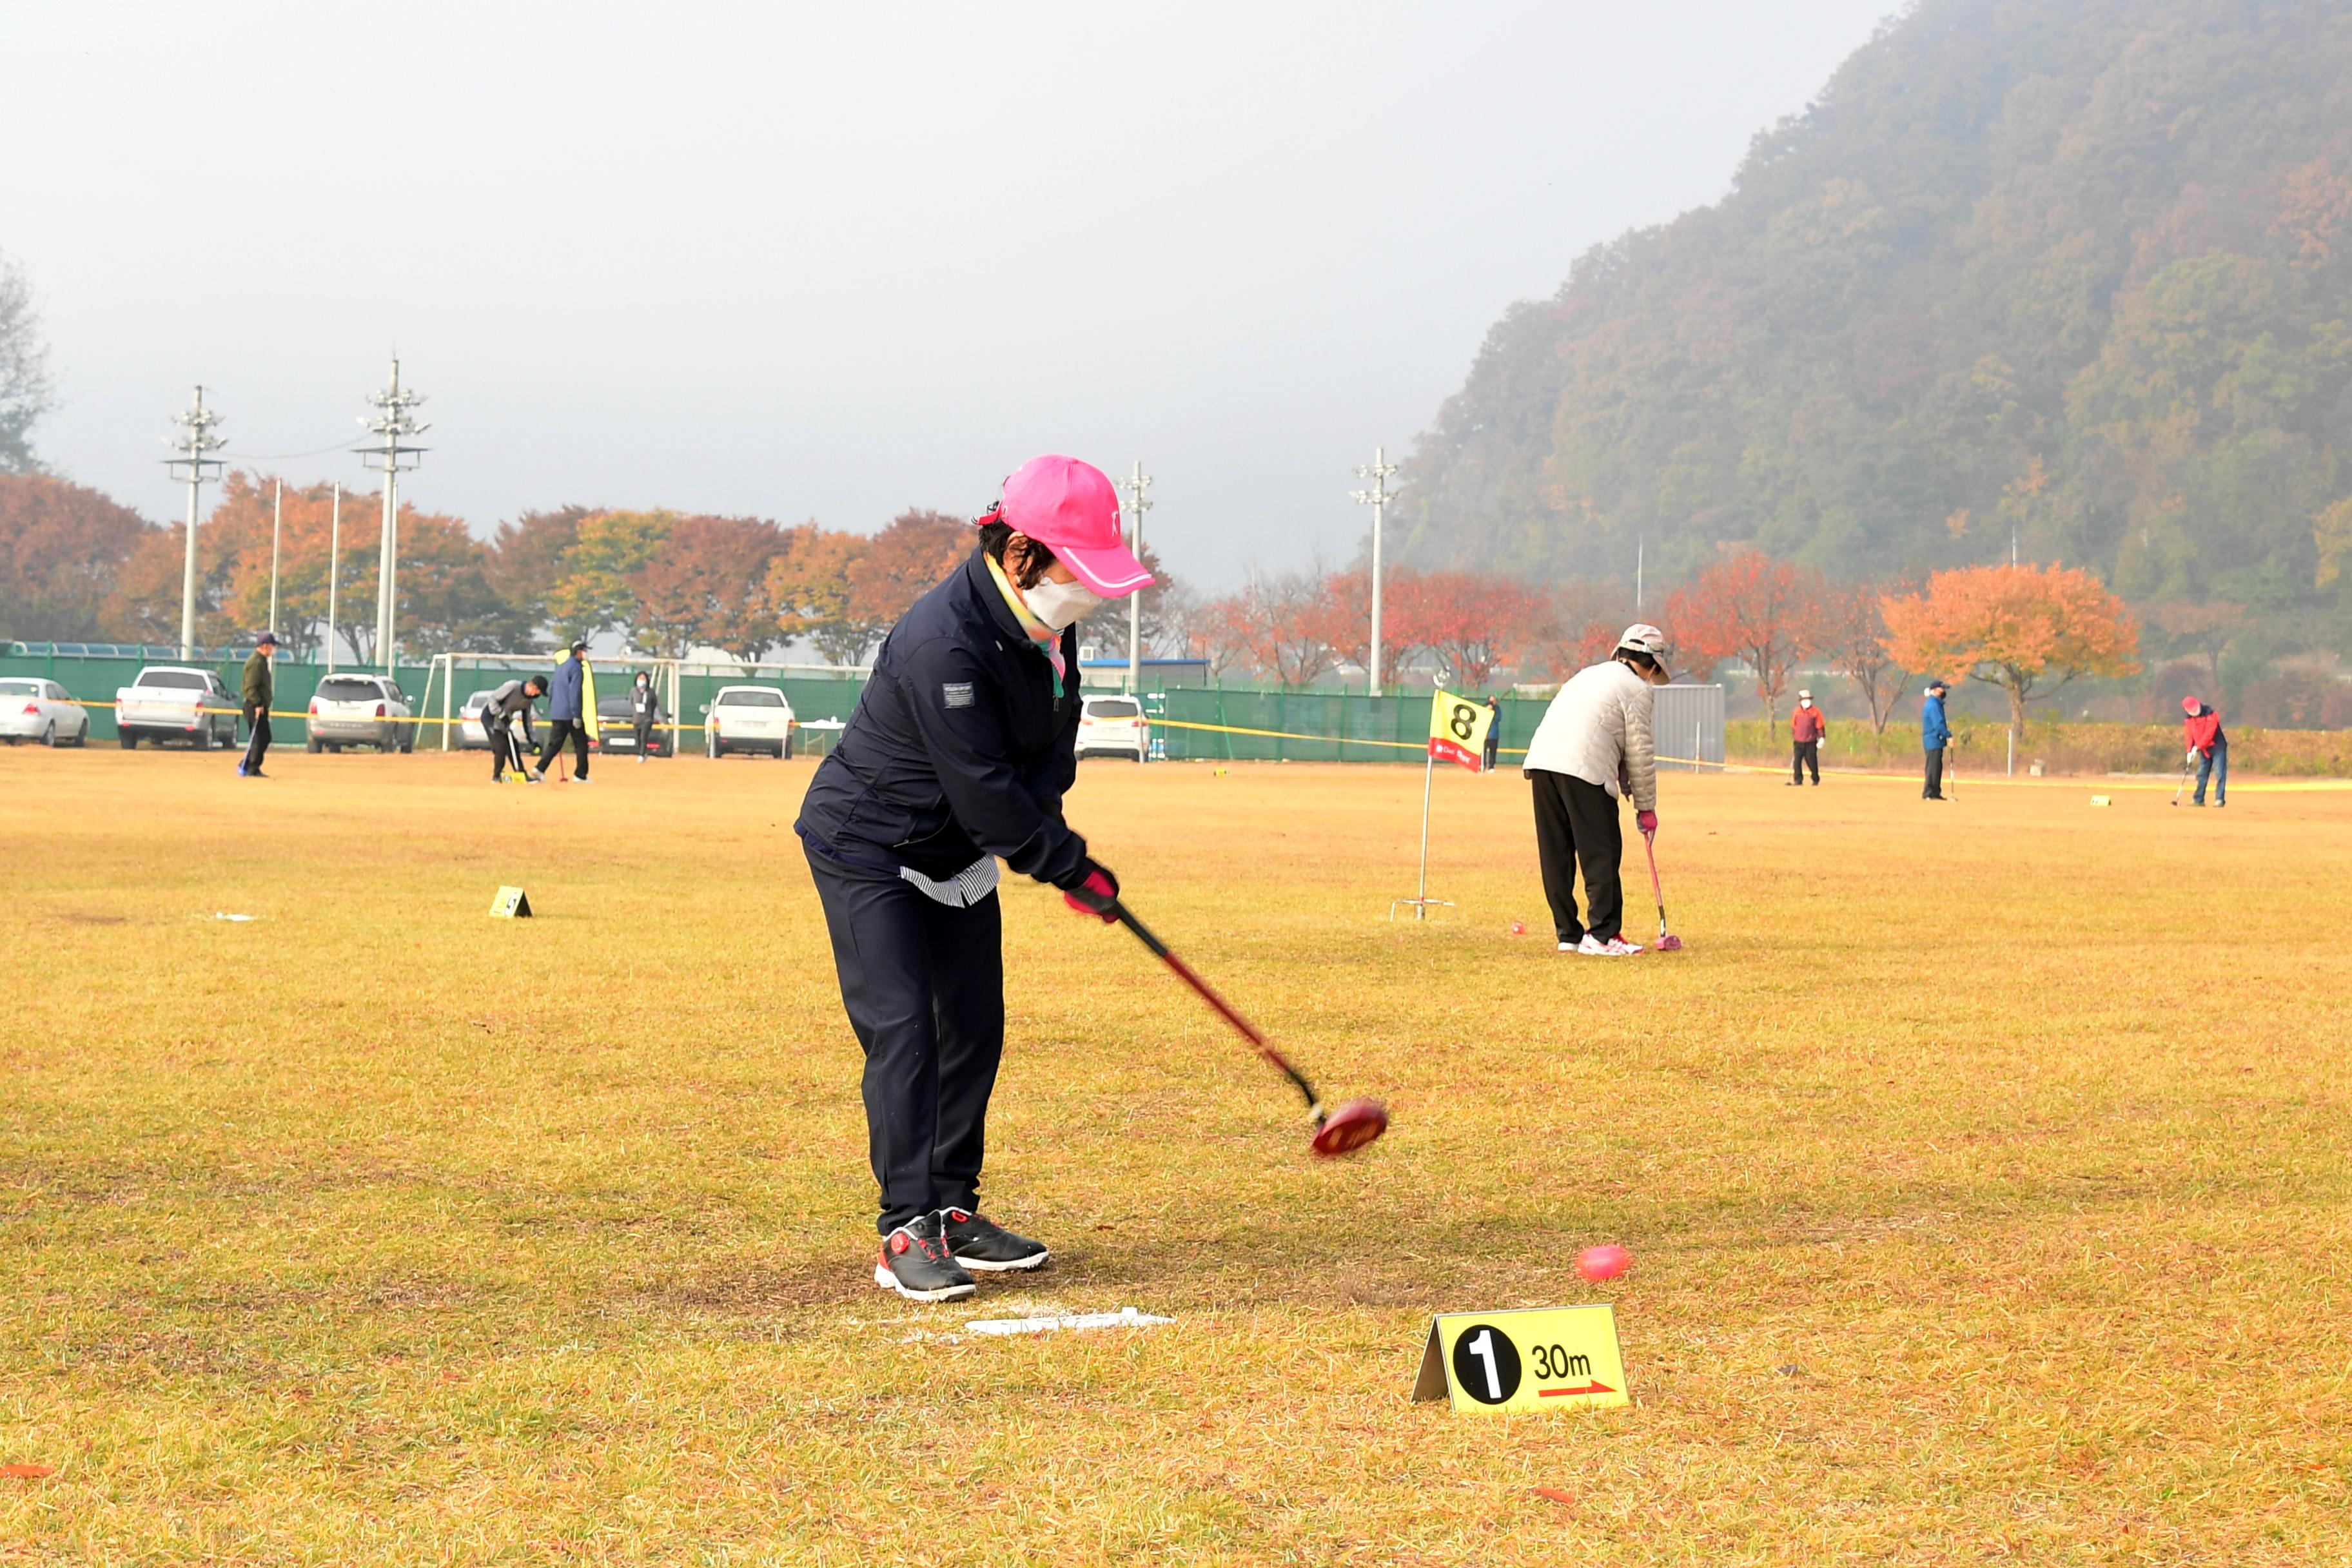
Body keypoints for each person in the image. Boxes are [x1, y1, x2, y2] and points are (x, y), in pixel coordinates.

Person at [794, 454, 1153, 1302]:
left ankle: (955, 1210)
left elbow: (1042, 763)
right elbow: (987, 795)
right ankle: (905, 1229)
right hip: (870, 845)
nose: (1091, 595)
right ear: (1022, 553)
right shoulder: (940, 641)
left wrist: (1060, 847)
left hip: (957, 851)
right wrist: (1066, 863)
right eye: (1081, 572)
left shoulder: (1050, 627)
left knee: (974, 1028)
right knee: (905, 1030)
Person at [1521, 623, 1669, 957]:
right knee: (1601, 850)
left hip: (1543, 763)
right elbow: (1640, 752)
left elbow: (1618, 746)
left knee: (1556, 851)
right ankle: (1603, 935)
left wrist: (1629, 786)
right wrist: (1646, 808)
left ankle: (1568, 934)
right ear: (1651, 664)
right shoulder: (1637, 689)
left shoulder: (1587, 675)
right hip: (1584, 769)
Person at [534, 642, 593, 785]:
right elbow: (575, 693)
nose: (586, 654)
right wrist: (577, 715)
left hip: (557, 712)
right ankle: (580, 775)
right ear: (578, 652)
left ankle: (539, 769)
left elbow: (552, 690)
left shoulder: (561, 667)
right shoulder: (577, 668)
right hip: (570, 714)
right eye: (584, 651)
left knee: (554, 744)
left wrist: (553, 709)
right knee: (581, 745)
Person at [481, 675, 547, 783]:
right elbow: (492, 699)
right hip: (491, 718)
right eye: (538, 691)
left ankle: (521, 773)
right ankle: (496, 776)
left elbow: (527, 721)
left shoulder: (528, 701)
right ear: (532, 686)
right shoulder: (512, 686)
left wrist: (533, 740)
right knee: (501, 746)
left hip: (504, 721)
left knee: (513, 746)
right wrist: (501, 714)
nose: (537, 695)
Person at [235, 632, 279, 778]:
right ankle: (251, 768)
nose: (273, 650)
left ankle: (247, 765)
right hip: (254, 707)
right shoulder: (256, 662)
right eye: (272, 646)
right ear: (265, 646)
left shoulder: (262, 661)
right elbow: (250, 688)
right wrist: (258, 704)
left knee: (264, 738)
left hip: (260, 706)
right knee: (260, 738)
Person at [2183, 694, 2228, 807]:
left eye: (2196, 707)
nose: (2195, 710)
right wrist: (2189, 751)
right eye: (2192, 710)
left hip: (2217, 747)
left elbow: (2209, 733)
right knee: (2201, 774)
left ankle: (2219, 799)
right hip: (2204, 749)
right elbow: (2189, 735)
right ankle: (2198, 799)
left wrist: (2197, 747)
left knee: (2219, 774)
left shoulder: (2210, 714)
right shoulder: (2189, 720)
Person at [1921, 679, 1953, 800]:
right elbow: (1938, 724)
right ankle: (1929, 792)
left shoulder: (1936, 704)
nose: (1944, 691)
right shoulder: (1933, 705)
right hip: (1933, 740)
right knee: (1932, 767)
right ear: (1935, 691)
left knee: (1937, 767)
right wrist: (1948, 735)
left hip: (1936, 740)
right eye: (1942, 689)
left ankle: (1935, 792)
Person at [1788, 688, 1826, 786]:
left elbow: (1820, 726)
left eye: (1808, 699)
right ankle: (1798, 780)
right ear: (1800, 701)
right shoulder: (1797, 711)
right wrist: (1795, 736)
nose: (1806, 701)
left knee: (1812, 761)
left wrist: (1821, 738)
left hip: (1811, 741)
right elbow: (1794, 725)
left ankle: (1815, 779)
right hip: (1798, 741)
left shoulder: (1815, 712)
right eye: (1804, 699)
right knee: (1797, 762)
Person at [629, 669, 661, 761]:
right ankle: (643, 752)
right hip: (636, 719)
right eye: (640, 679)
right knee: (638, 738)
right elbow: (632, 702)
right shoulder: (633, 691)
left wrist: (650, 713)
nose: (642, 681)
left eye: (644, 679)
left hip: (647, 719)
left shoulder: (651, 692)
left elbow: (654, 703)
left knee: (644, 737)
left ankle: (641, 755)